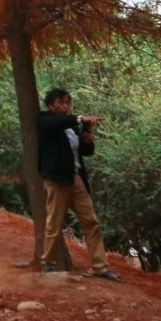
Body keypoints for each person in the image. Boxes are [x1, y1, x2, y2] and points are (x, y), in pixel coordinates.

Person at [37, 88, 120, 281]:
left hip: (76, 177)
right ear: (50, 105)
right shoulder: (43, 120)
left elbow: (85, 152)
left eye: (67, 103)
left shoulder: (72, 127)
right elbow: (56, 124)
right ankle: (47, 263)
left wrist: (87, 135)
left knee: (91, 222)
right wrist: (82, 118)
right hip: (57, 179)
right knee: (54, 223)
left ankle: (100, 266)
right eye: (61, 103)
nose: (65, 106)